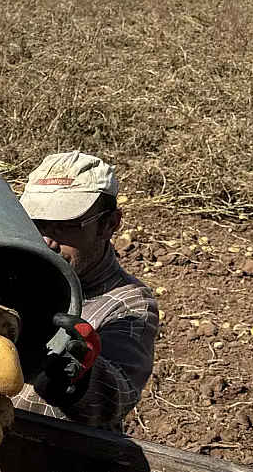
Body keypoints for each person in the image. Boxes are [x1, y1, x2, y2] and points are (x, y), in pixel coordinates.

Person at [13, 151, 159, 431]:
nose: (47, 241)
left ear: (109, 224)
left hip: (60, 457)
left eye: (66, 226)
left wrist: (80, 381)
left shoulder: (128, 305)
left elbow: (116, 396)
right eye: (36, 223)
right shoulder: (17, 274)